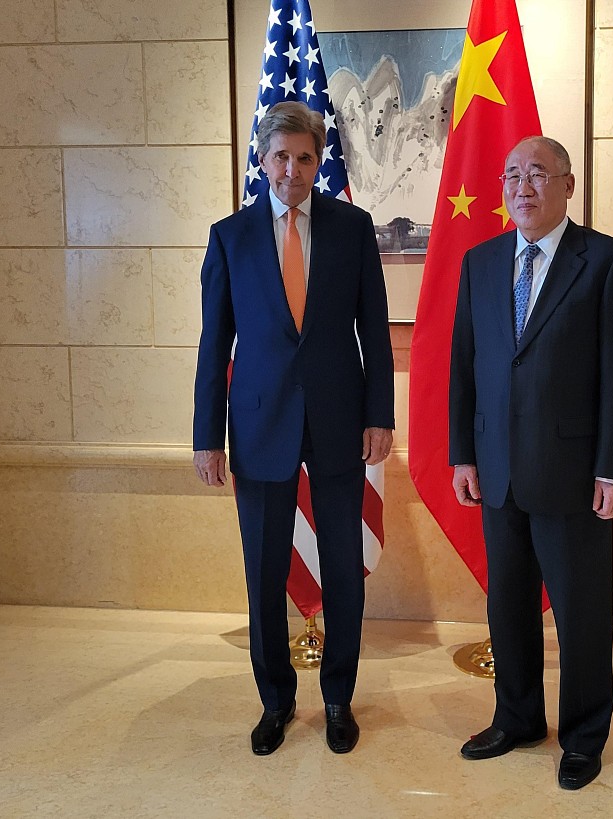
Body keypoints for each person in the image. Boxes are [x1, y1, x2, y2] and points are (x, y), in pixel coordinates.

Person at [193, 101, 394, 757]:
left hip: (340, 422)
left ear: (317, 161)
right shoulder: (230, 236)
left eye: (305, 157)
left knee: (342, 569)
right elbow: (213, 341)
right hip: (258, 425)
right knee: (262, 573)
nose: (292, 169)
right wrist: (207, 434)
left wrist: (380, 416)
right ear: (262, 157)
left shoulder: (353, 228)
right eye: (281, 155)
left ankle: (338, 698)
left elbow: (376, 334)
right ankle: (275, 701)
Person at [449, 136, 613, 790]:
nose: (521, 187)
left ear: (568, 184)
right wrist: (462, 454)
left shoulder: (606, 261)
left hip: (573, 474)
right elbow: (465, 368)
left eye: (536, 174)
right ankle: (518, 717)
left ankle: (584, 733)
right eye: (511, 176)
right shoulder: (480, 262)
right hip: (498, 471)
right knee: (507, 606)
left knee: (582, 610)